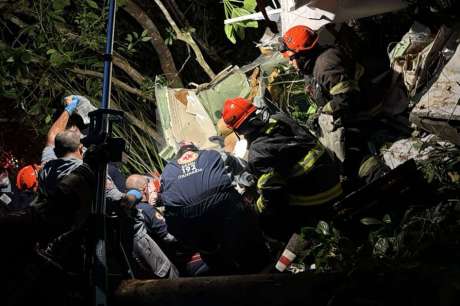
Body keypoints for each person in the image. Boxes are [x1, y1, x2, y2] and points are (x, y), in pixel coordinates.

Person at [222, 97, 343, 240]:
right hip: (335, 178)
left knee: (270, 221)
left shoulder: (258, 152)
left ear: (239, 130)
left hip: (317, 198)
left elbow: (273, 195)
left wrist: (257, 208)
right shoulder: (280, 118)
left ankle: (305, 244)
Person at [279, 25, 387, 185]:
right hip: (351, 111)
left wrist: (325, 114)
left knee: (349, 154)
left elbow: (347, 98)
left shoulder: (326, 65)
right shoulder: (314, 66)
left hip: (365, 110)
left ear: (303, 54)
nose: (290, 62)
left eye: (292, 57)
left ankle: (381, 180)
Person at [160, 141, 270, 274]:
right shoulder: (212, 153)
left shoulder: (167, 171)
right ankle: (264, 266)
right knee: (247, 229)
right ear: (196, 150)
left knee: (209, 251)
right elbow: (241, 166)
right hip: (223, 205)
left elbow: (166, 198)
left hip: (188, 219)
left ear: (178, 156)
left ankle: (222, 272)